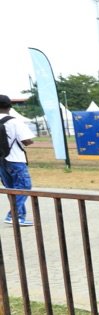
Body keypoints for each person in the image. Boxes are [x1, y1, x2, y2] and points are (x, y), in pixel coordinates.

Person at [0, 95, 35, 226]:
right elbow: (27, 141)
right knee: (24, 186)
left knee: (11, 188)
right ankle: (13, 215)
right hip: (15, 159)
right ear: (10, 107)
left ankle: (19, 216)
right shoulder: (14, 122)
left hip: (1, 160)